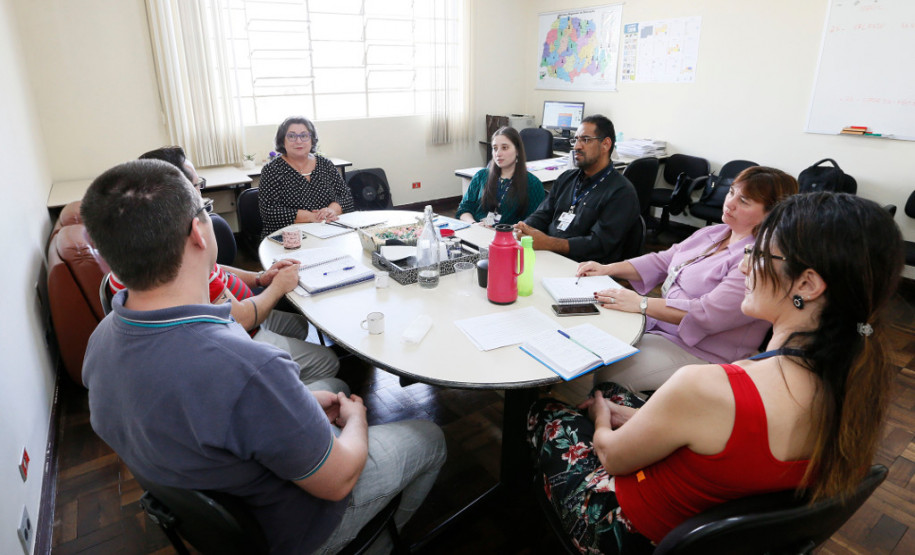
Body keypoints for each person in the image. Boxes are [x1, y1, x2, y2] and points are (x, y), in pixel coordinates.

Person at [80, 160, 447, 555]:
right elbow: (339, 479)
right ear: (197, 234)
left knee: (332, 384)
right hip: (298, 526)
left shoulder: (100, 342)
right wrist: (357, 418)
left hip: (218, 511)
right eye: (205, 208)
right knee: (430, 438)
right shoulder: (249, 366)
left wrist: (293, 402)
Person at [529, 192, 904, 554]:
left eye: (757, 254)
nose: (743, 266)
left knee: (547, 411)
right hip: (721, 536)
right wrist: (634, 415)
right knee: (613, 392)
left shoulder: (706, 386)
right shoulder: (857, 386)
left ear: (806, 284)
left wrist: (601, 419)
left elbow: (611, 456)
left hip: (628, 529)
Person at [571, 166, 798, 397]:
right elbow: (663, 261)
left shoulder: (757, 261)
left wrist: (642, 303)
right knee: (597, 332)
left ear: (771, 214)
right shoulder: (715, 233)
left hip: (704, 351)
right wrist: (607, 269)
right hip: (662, 327)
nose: (729, 203)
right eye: (731, 192)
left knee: (612, 372)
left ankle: (625, 410)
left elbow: (709, 314)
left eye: (744, 201)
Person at [122, 146, 340, 386]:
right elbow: (242, 319)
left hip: (246, 315)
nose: (201, 193)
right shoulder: (185, 265)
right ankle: (283, 387)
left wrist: (260, 278)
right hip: (245, 331)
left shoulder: (157, 249)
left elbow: (216, 268)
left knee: (299, 324)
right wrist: (278, 286)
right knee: (329, 362)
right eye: (197, 185)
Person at [514, 114, 638, 264]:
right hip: (550, 256)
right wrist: (524, 228)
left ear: (605, 144)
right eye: (576, 139)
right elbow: (543, 214)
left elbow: (599, 244)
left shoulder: (621, 192)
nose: (577, 146)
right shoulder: (566, 178)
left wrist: (549, 243)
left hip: (586, 268)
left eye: (585, 140)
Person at [259, 116, 355, 236]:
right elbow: (269, 211)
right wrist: (311, 217)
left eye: (304, 135)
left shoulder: (325, 164)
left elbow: (346, 196)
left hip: (327, 231)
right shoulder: (272, 170)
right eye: (292, 136)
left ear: (312, 139)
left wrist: (331, 210)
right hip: (289, 236)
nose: (299, 141)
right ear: (282, 140)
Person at [456, 126, 545, 226]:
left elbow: (535, 223)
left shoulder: (533, 184)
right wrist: (474, 224)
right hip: (477, 230)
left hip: (509, 234)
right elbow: (464, 209)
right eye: (495, 148)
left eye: (504, 148)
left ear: (517, 150)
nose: (498, 153)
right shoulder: (481, 176)